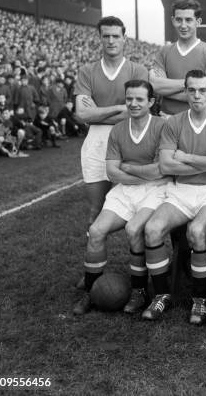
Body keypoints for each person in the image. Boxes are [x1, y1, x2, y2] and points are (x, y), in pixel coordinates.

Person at [141, 70, 206, 322]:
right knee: (152, 229)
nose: (197, 95)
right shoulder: (174, 123)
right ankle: (161, 295)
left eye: (202, 90)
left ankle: (200, 299)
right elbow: (166, 166)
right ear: (185, 92)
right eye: (191, 90)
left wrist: (186, 157)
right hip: (181, 191)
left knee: (196, 231)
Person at [73, 80, 167, 315]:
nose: (133, 104)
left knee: (134, 229)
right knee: (95, 231)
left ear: (151, 102)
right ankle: (91, 291)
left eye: (139, 99)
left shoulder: (162, 127)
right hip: (124, 190)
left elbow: (160, 171)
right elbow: (112, 171)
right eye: (129, 99)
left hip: (156, 190)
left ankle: (139, 291)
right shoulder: (118, 129)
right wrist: (140, 172)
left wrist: (130, 169)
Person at [74, 16, 149, 228]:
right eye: (106, 36)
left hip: (131, 139)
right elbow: (82, 114)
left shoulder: (138, 70)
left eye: (116, 36)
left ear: (124, 38)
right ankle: (96, 257)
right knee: (96, 210)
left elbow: (138, 112)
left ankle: (140, 259)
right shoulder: (87, 71)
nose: (111, 40)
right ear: (100, 38)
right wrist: (119, 107)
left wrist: (97, 110)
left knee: (139, 209)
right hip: (96, 143)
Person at [150, 0, 206, 116]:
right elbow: (156, 86)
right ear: (173, 20)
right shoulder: (164, 51)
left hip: (198, 121)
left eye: (188, 20)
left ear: (198, 22)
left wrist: (166, 89)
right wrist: (193, 85)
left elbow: (205, 94)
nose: (183, 25)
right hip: (166, 118)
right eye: (179, 20)